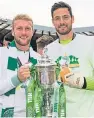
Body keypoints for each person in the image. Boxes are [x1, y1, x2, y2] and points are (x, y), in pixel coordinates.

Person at [46, 1, 94, 117]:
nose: (61, 22)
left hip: (84, 114)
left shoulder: (90, 42)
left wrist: (83, 82)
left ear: (72, 19)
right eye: (57, 18)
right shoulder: (48, 50)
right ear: (53, 22)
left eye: (65, 17)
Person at [0, 14, 40, 117]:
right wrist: (17, 79)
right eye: (19, 28)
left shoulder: (39, 59)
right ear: (13, 31)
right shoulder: (2, 54)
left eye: (27, 28)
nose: (23, 32)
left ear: (32, 32)